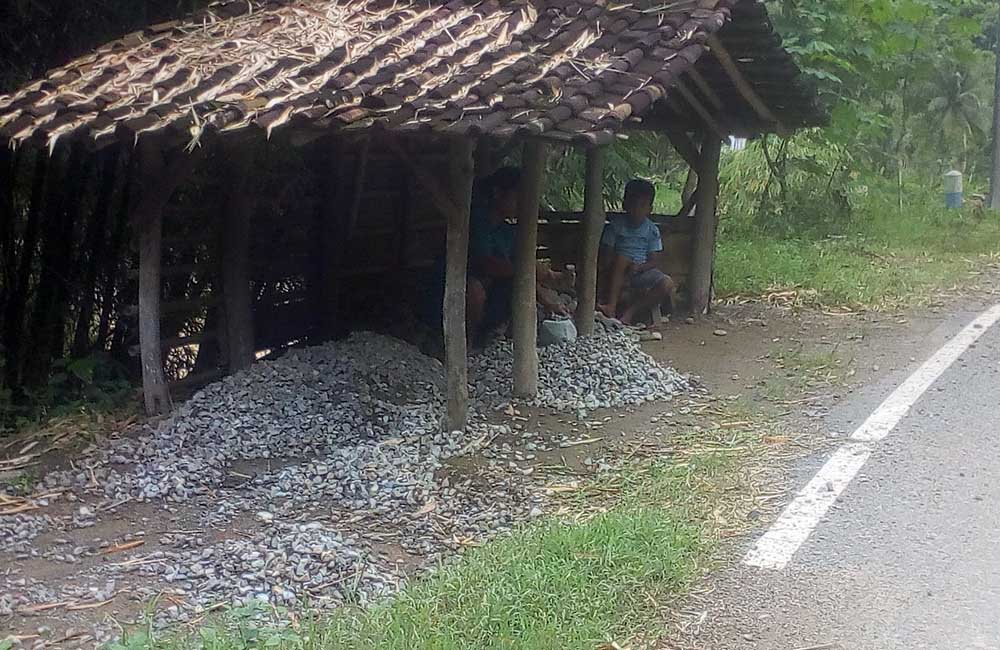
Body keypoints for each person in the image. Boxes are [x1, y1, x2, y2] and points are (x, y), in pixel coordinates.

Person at [467, 167, 569, 344]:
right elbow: (487, 264)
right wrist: (535, 271)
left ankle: (495, 335)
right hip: (462, 292)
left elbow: (519, 273)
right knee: (475, 291)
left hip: (490, 294)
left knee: (515, 286)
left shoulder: (507, 231)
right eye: (518, 196)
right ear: (497, 193)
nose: (522, 202)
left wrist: (548, 303)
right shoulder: (477, 221)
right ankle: (467, 340)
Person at [597, 179, 678, 325]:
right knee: (622, 259)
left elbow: (654, 260)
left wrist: (639, 267)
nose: (636, 210)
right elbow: (606, 254)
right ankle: (611, 306)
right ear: (625, 205)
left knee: (667, 283)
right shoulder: (615, 226)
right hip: (616, 271)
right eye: (633, 205)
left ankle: (630, 313)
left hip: (641, 271)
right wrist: (621, 264)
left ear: (649, 208)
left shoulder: (651, 230)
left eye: (642, 206)